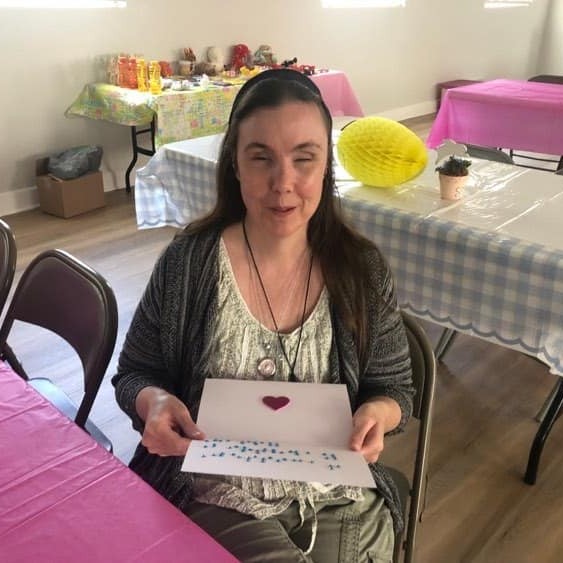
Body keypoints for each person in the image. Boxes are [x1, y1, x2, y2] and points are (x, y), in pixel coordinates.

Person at [113, 68, 414, 563]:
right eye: (261, 159)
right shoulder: (190, 261)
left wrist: (377, 414)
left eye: (304, 159)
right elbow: (136, 374)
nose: (284, 184)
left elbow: (394, 386)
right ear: (233, 162)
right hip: (214, 492)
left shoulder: (362, 268)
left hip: (337, 498)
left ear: (326, 166)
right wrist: (155, 401)